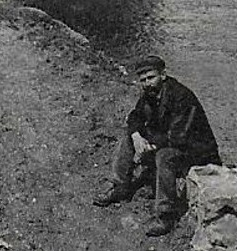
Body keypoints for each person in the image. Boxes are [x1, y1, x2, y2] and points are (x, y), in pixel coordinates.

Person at [93, 55, 222, 236]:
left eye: (151, 78)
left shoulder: (182, 97)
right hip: (172, 140)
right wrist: (137, 136)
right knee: (130, 136)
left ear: (163, 75)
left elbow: (178, 137)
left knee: (165, 157)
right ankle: (120, 185)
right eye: (143, 80)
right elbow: (135, 116)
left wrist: (150, 145)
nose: (147, 83)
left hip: (197, 152)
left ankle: (165, 215)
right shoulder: (150, 94)